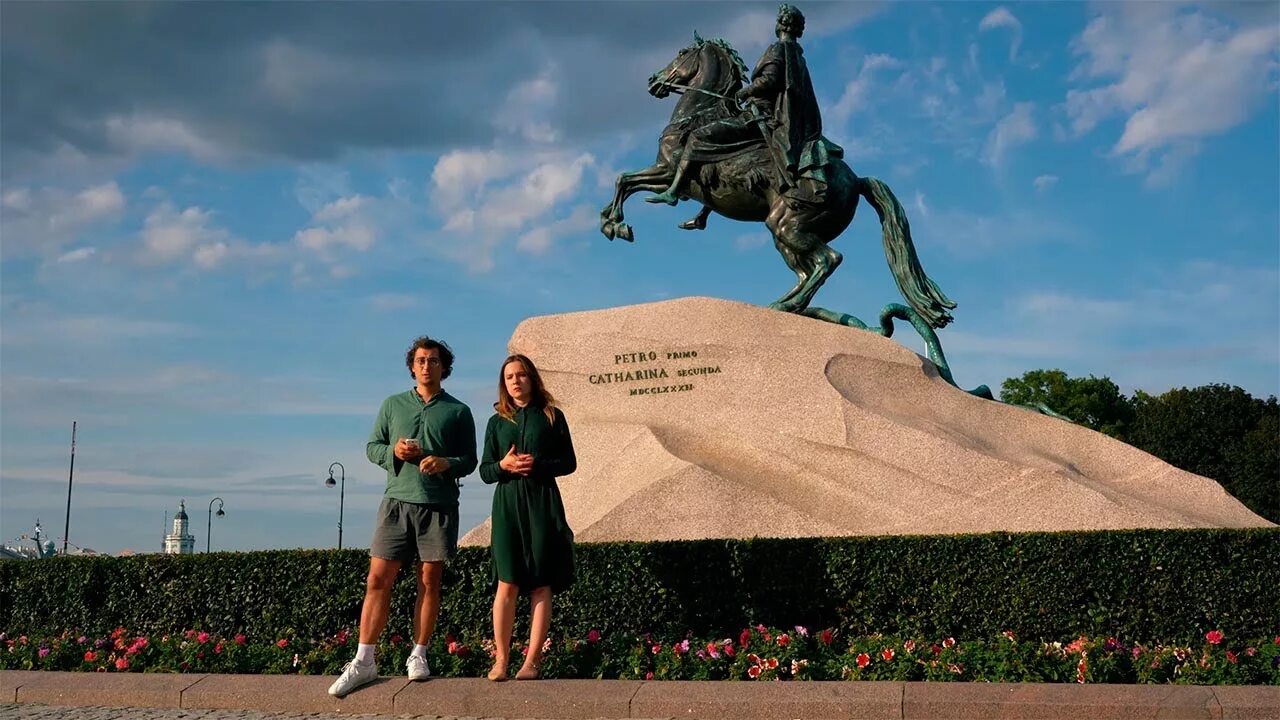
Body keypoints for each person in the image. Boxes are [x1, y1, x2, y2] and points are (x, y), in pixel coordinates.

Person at [328, 336, 477, 697]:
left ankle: (419, 654)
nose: (427, 366)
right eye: (422, 360)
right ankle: (364, 660)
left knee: (429, 581)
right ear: (412, 366)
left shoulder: (458, 411)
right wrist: (392, 452)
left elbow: (470, 460)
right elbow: (371, 446)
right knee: (377, 579)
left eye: (435, 360)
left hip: (438, 504)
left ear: (445, 367)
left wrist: (446, 463)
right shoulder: (392, 405)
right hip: (396, 501)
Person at [646, 3, 842, 207]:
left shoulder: (779, 49)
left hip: (761, 115)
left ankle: (674, 189)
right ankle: (705, 208)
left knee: (697, 137)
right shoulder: (797, 56)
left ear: (780, 25)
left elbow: (769, 81)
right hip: (777, 116)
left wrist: (745, 91)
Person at [479, 354, 577, 681]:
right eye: (510, 377)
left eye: (521, 375)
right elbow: (484, 471)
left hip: (542, 502)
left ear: (532, 378)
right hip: (507, 504)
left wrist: (539, 465)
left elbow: (569, 463)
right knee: (507, 582)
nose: (516, 381)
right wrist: (503, 466)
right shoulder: (496, 422)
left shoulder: (551, 416)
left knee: (540, 583)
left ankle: (532, 661)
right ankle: (501, 660)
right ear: (504, 384)